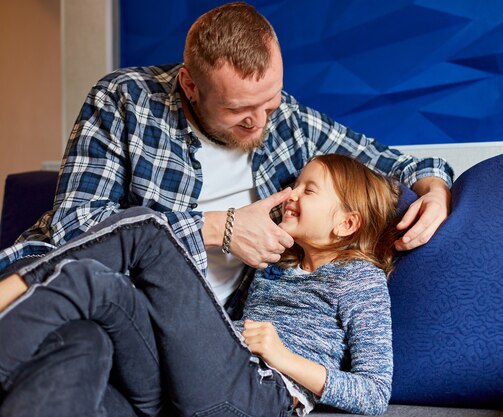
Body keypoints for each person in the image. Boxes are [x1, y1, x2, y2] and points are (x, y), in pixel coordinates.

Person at [0, 1, 452, 414]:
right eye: (240, 109)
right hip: (125, 310)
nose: (260, 122)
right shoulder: (124, 101)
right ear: (190, 85)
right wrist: (220, 228)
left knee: (105, 301)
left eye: (270, 102)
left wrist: (435, 188)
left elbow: (394, 164)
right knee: (87, 328)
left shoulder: (290, 125)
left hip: (206, 350)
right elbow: (73, 227)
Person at [0, 154, 401, 416]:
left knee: (149, 230)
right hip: (198, 387)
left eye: (308, 190)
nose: (290, 194)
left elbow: (373, 393)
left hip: (261, 396)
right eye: (296, 184)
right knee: (92, 303)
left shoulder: (359, 278)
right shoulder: (272, 262)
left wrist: (281, 356)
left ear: (346, 223)